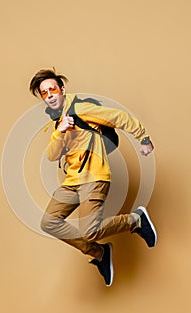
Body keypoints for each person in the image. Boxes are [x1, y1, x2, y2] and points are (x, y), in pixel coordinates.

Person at [29, 68, 157, 286]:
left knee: (90, 231)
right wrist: (60, 131)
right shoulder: (57, 121)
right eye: (44, 93)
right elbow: (52, 155)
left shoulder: (79, 109)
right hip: (72, 182)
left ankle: (135, 219)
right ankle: (99, 254)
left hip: (93, 177)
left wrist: (143, 137)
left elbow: (118, 116)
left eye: (52, 89)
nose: (49, 95)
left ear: (62, 89)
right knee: (49, 222)